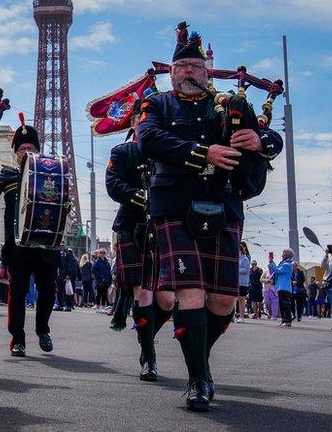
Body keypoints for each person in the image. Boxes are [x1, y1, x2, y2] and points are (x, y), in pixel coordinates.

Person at [137, 25, 283, 410]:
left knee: (221, 301)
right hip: (174, 207)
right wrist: (204, 154)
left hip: (224, 206)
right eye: (180, 66)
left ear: (207, 72)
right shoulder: (156, 104)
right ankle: (199, 378)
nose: (187, 72)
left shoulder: (230, 104)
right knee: (191, 294)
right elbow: (149, 139)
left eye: (194, 67)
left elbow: (270, 138)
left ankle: (197, 358)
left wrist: (260, 141)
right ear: (172, 73)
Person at [0, 114, 59, 358]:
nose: (26, 151)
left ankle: (43, 330)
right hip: (18, 245)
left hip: (46, 243)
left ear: (37, 150)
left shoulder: (50, 172)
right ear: (15, 152)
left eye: (30, 147)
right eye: (22, 148)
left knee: (47, 289)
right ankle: (18, 337)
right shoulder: (7, 174)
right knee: (18, 291)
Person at [104, 110, 174, 381]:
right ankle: (148, 358)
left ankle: (145, 335)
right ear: (133, 124)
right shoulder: (122, 152)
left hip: (164, 225)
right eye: (140, 121)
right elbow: (113, 185)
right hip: (132, 225)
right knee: (143, 293)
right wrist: (141, 197)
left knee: (167, 299)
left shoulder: (165, 149)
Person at [268, 250, 296, 327]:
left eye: (283, 253)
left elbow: (277, 270)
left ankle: (287, 321)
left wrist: (271, 262)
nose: (282, 255)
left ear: (287, 255)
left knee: (285, 304)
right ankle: (284, 320)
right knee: (282, 304)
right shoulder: (284, 263)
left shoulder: (287, 264)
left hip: (284, 286)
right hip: (281, 286)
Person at [236, 243, 251, 322]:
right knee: (235, 299)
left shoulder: (245, 259)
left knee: (241, 300)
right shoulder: (235, 258)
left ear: (241, 250)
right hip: (235, 281)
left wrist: (236, 269)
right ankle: (234, 316)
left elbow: (246, 270)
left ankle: (241, 317)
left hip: (243, 282)